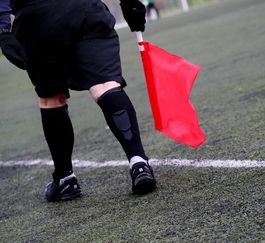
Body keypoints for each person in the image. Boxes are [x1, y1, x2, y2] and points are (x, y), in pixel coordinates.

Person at [0, 0, 156, 201]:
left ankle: (65, 179)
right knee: (105, 86)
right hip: (86, 11)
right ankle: (138, 162)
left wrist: (3, 29)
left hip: (38, 21)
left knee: (52, 98)